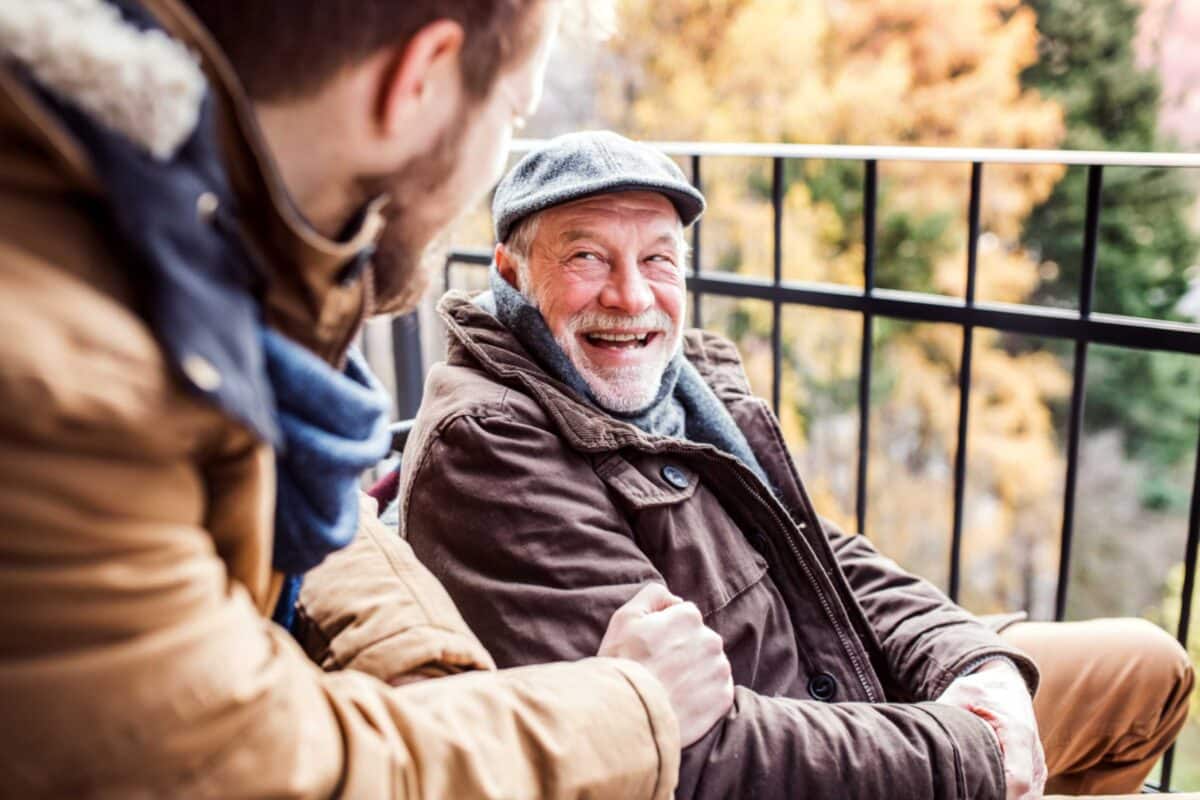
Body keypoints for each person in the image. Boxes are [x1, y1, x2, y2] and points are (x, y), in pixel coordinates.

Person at [0, 3, 735, 797]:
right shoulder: (54, 372)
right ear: (416, 81)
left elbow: (306, 512)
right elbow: (259, 766)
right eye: (512, 113)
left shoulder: (170, 241)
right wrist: (632, 707)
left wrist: (428, 672)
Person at [399, 130, 1197, 800]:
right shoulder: (489, 445)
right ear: (510, 273)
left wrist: (971, 663)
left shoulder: (684, 383)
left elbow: (817, 550)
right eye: (586, 257)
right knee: (1010, 744)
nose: (633, 296)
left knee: (1146, 666)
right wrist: (963, 752)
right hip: (784, 750)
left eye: (658, 259)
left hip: (839, 677)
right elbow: (689, 754)